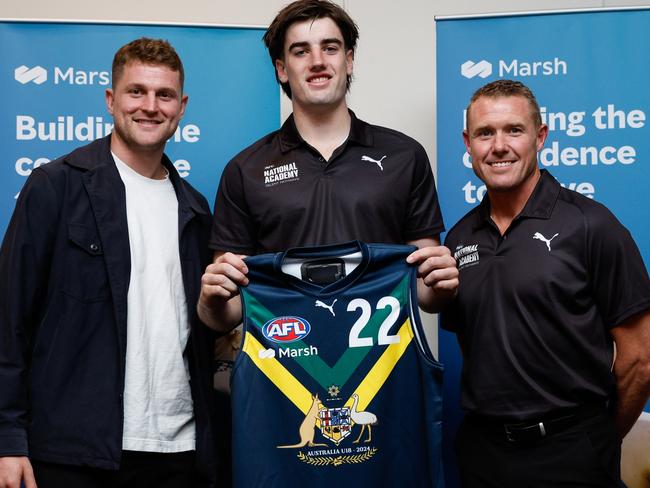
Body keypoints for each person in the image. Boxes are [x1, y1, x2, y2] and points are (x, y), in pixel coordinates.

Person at [0, 38, 216, 488]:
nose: (150, 106)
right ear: (110, 100)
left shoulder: (194, 210)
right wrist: (8, 438)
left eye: (165, 95)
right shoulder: (54, 187)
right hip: (73, 451)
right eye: (136, 91)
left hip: (179, 453)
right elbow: (9, 320)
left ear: (182, 106)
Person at [198, 0, 458, 333]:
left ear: (349, 60)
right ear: (281, 69)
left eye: (330, 48)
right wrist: (210, 300)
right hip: (284, 374)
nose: (318, 61)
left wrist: (442, 283)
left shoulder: (404, 156)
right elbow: (226, 312)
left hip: (384, 374)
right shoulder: (244, 170)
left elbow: (425, 293)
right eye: (301, 51)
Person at [441, 79, 650, 487]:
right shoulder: (460, 238)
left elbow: (640, 359)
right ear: (468, 143)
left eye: (514, 130)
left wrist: (598, 438)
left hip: (572, 454)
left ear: (540, 137)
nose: (499, 146)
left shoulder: (592, 224)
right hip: (483, 454)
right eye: (485, 133)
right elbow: (478, 344)